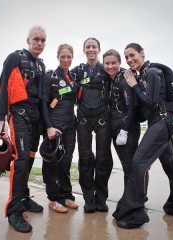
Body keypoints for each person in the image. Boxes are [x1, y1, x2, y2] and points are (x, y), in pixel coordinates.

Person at [114, 43, 173, 229]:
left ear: (142, 53)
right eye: (126, 57)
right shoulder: (143, 76)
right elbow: (143, 108)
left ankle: (134, 212)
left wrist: (133, 86)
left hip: (162, 123)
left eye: (132, 55)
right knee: (170, 163)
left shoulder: (152, 72)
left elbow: (151, 102)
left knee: (139, 162)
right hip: (158, 123)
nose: (129, 60)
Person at [0, 25, 46, 233]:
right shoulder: (15, 58)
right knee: (21, 160)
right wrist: (1, 120)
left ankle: (24, 198)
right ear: (28, 40)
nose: (39, 43)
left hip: (35, 120)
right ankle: (14, 211)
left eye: (43, 41)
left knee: (31, 158)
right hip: (19, 117)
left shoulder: (41, 66)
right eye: (36, 39)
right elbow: (2, 87)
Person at [71, 38, 113, 213]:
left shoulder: (106, 70)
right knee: (86, 159)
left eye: (94, 47)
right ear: (84, 50)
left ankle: (101, 199)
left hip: (103, 119)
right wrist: (49, 73)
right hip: (83, 120)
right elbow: (62, 78)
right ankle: (89, 200)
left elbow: (120, 73)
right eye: (88, 47)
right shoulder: (78, 71)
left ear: (99, 49)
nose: (91, 50)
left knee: (103, 159)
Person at [39, 43, 78, 213]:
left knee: (66, 162)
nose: (66, 59)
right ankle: (54, 198)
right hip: (54, 126)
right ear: (58, 57)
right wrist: (48, 127)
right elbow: (43, 103)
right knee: (52, 163)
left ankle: (66, 195)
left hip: (71, 126)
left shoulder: (74, 77)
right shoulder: (50, 76)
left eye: (69, 56)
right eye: (63, 56)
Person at [102, 49, 140, 188]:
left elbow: (132, 107)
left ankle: (134, 198)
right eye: (107, 63)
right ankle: (131, 197)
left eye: (114, 63)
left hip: (126, 128)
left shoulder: (124, 78)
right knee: (127, 164)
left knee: (129, 164)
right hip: (115, 127)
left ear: (120, 63)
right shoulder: (111, 79)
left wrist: (124, 130)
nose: (110, 66)